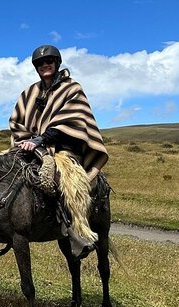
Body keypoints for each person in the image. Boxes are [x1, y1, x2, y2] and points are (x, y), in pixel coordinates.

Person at [10, 45, 109, 258]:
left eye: (49, 62)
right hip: (32, 148)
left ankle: (77, 230)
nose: (44, 65)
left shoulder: (71, 88)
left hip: (64, 150)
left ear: (57, 63)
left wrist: (41, 139)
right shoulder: (29, 93)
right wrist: (27, 141)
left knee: (67, 181)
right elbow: (16, 121)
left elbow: (73, 120)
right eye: (39, 63)